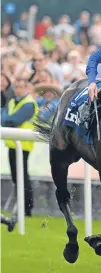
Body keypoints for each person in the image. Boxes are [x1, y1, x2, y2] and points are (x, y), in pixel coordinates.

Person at [2, 78, 39, 216]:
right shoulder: (12, 102)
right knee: (16, 177)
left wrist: (6, 119)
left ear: (27, 89)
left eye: (21, 87)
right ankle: (22, 206)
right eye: (16, 86)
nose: (18, 89)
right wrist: (6, 119)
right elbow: (5, 117)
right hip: (13, 143)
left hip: (23, 145)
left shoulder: (29, 104)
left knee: (22, 176)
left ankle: (27, 208)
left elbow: (13, 120)